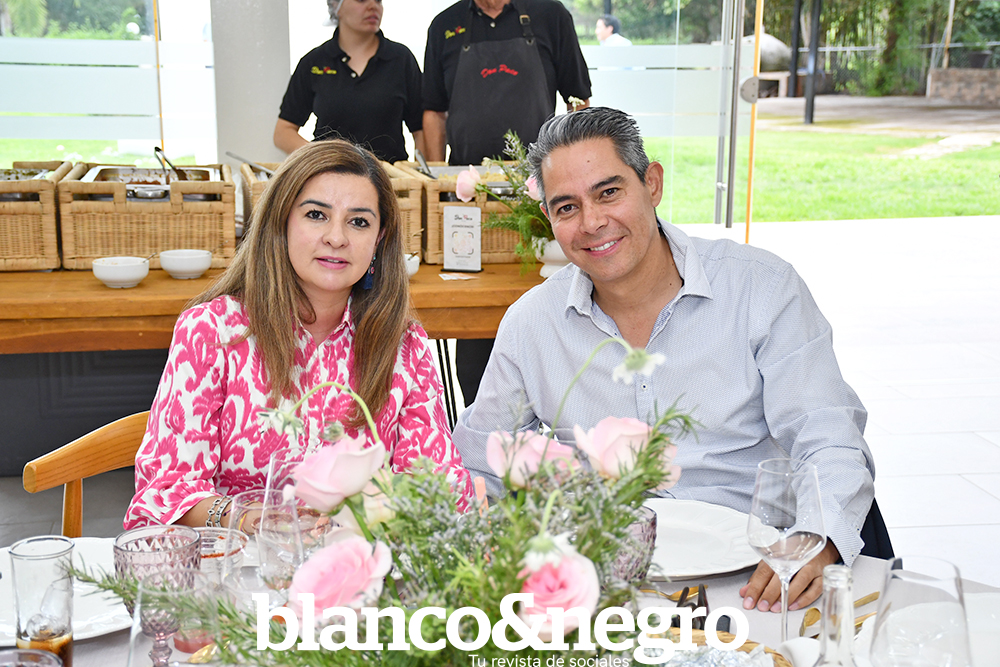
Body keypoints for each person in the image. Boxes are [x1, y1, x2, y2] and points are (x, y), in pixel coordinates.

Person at [451, 107, 876, 613]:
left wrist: (817, 538)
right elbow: (479, 464)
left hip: (759, 579)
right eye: (567, 207)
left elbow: (827, 435)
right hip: (602, 589)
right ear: (549, 218)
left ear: (651, 184)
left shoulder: (761, 288)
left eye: (609, 192)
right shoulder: (532, 323)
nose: (592, 223)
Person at [126, 140, 474, 530]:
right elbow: (164, 492)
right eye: (316, 215)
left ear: (379, 239)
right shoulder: (212, 332)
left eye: (359, 222)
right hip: (239, 560)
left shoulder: (404, 346)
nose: (336, 237)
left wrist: (375, 512)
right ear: (281, 223)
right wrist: (248, 520)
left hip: (357, 559)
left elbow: (445, 490)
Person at [422, 0, 593, 404]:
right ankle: (479, 420)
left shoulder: (551, 16)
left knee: (544, 310)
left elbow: (578, 102)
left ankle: (553, 416)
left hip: (538, 199)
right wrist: (437, 184)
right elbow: (433, 113)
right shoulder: (445, 25)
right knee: (474, 329)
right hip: (468, 197)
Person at [274, 0, 424, 163]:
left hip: (388, 175)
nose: (373, 6)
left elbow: (421, 130)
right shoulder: (314, 63)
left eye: (378, 0)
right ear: (336, 7)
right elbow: (283, 132)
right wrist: (321, 159)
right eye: (361, 0)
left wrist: (423, 174)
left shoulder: (401, 59)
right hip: (330, 174)